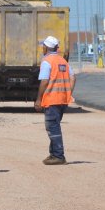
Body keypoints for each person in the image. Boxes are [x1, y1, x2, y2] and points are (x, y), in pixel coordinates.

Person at [35, 35, 74, 165]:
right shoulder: (63, 61)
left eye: (43, 46)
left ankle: (58, 156)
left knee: (53, 127)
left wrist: (38, 99)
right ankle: (53, 154)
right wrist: (68, 93)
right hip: (62, 100)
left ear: (46, 48)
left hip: (52, 99)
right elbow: (73, 78)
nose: (42, 48)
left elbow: (44, 81)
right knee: (54, 126)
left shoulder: (47, 61)